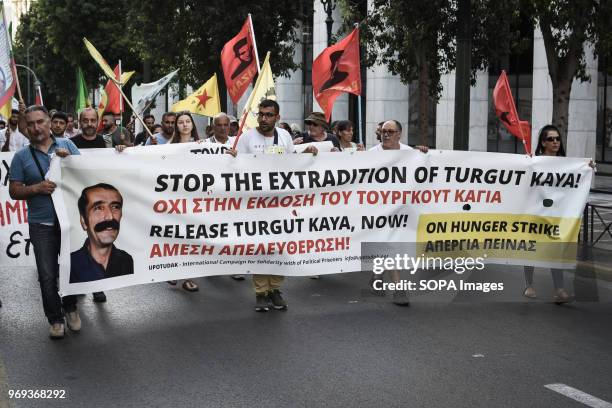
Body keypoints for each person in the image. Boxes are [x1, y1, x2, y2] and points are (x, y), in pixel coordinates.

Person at [228, 99, 317, 312]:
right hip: (256, 204)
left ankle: (275, 289)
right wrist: (230, 158)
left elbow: (292, 163)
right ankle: (260, 292)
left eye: (268, 115)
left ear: (277, 117)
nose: (264, 118)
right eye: (261, 114)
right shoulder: (246, 137)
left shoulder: (285, 137)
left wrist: (308, 154)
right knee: (261, 247)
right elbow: (233, 166)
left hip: (280, 204)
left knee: (279, 247)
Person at [9, 105, 82, 339]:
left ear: (49, 122)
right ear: (26, 128)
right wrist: (36, 188)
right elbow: (14, 191)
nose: (36, 127)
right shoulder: (21, 157)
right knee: (47, 274)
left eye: (40, 122)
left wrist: (70, 161)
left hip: (68, 221)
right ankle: (55, 319)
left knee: (71, 269)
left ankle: (71, 308)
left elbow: (85, 176)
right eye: (30, 124)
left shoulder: (67, 145)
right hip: (41, 225)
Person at [367, 119, 428, 306]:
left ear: (399, 134)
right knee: (387, 245)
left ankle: (385, 280)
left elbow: (427, 173)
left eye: (391, 131)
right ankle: (392, 284)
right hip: (378, 209)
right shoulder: (371, 154)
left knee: (391, 246)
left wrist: (425, 154)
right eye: (384, 131)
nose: (386, 134)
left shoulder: (410, 153)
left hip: (402, 210)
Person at [70, 107, 124, 302]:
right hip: (76, 198)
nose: (90, 124)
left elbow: (114, 166)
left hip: (98, 201)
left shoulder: (105, 142)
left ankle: (97, 286)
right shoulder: (70, 143)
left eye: (93, 120)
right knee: (78, 244)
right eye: (86, 120)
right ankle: (77, 285)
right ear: (79, 122)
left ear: (97, 121)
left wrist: (120, 151)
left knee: (97, 243)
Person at [523, 125, 572, 304]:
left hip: (555, 215)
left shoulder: (567, 164)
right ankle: (528, 285)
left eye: (558, 138)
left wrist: (588, 167)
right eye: (551, 139)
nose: (556, 142)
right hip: (536, 212)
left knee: (555, 249)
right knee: (531, 248)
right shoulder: (535, 161)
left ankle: (559, 290)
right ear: (543, 142)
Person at [70, 183, 134, 283]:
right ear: (83, 221)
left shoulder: (126, 260)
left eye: (115, 207)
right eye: (98, 208)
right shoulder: (71, 264)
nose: (110, 217)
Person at [166, 111, 200, 292]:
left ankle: (188, 277)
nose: (185, 125)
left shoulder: (203, 145)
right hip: (175, 197)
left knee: (192, 238)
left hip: (195, 199)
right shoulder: (169, 146)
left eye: (188, 121)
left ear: (193, 124)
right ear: (176, 126)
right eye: (181, 122)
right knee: (176, 236)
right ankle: (173, 270)